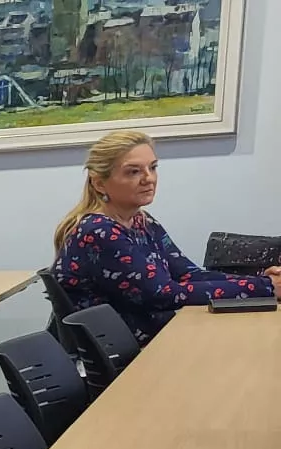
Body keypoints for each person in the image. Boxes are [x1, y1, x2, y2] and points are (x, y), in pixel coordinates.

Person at [54, 129, 280, 344]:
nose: (148, 178)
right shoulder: (99, 231)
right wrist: (266, 287)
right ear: (99, 183)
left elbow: (189, 275)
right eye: (134, 171)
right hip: (128, 355)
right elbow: (164, 294)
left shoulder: (142, 221)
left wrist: (261, 281)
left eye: (152, 168)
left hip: (156, 337)